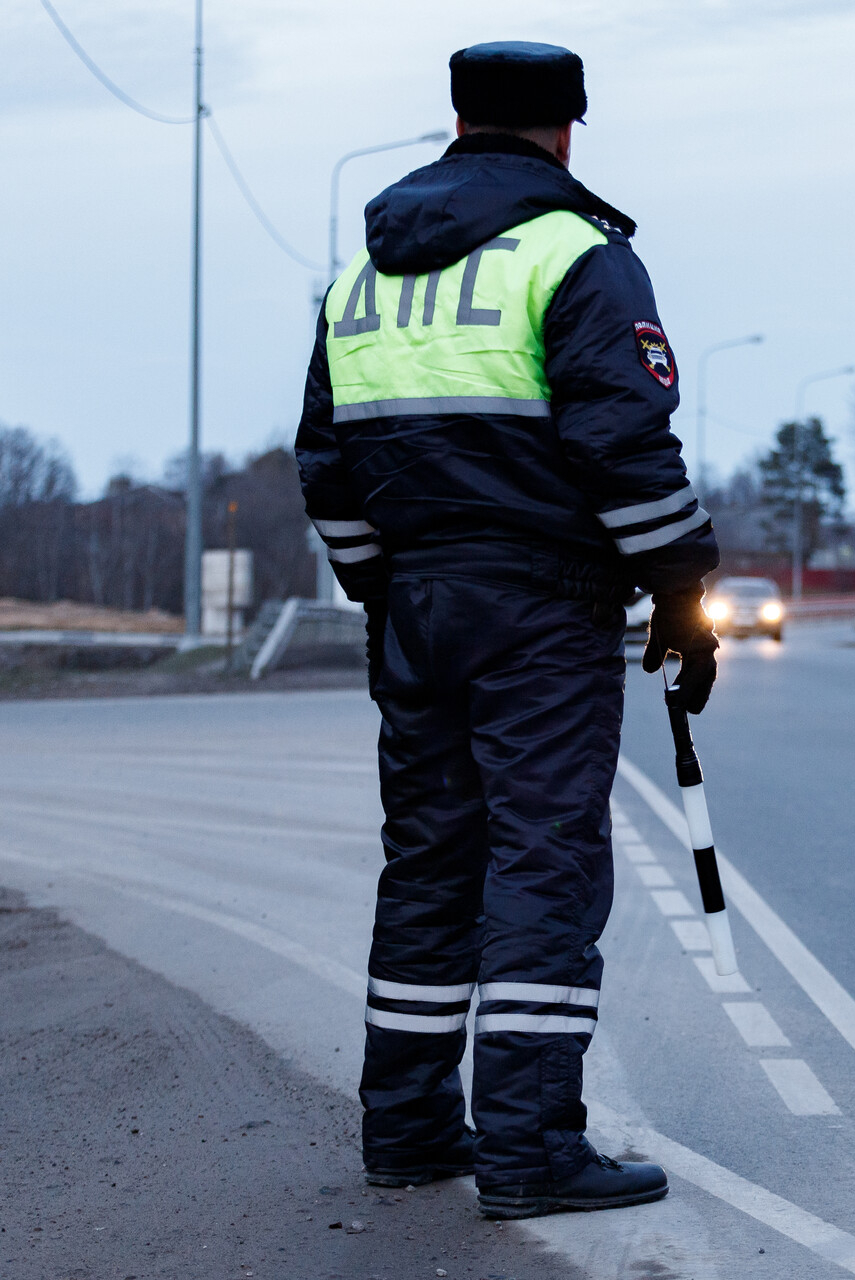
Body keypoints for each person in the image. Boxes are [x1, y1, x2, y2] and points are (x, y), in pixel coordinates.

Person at [295, 40, 719, 1220]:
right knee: (543, 857)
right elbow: (626, 449)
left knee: (430, 859)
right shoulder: (577, 256)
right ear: (567, 130)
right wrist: (684, 595)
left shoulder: (360, 277)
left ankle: (410, 1131)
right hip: (542, 610)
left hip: (418, 608)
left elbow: (324, 466)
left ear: (460, 117)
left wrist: (389, 591)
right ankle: (531, 1149)